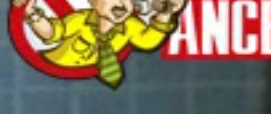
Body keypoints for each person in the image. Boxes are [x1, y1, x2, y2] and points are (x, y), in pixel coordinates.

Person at [15, 0, 188, 88]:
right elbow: (52, 33)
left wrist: (166, 13)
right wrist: (33, 15)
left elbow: (148, 40)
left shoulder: (130, 26)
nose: (121, 4)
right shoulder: (80, 20)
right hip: (51, 71)